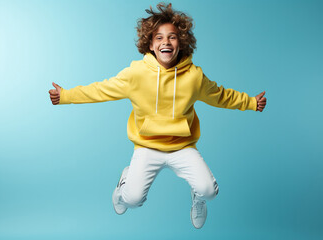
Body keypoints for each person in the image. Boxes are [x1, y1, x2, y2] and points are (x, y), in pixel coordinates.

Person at [49, 3, 267, 229]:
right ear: (151, 44)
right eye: (159, 38)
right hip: (147, 146)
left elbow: (220, 96)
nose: (166, 42)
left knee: (209, 191)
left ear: (180, 42)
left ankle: (197, 197)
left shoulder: (194, 76)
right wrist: (65, 95)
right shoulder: (136, 74)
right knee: (132, 200)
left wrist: (250, 102)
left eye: (172, 37)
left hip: (183, 147)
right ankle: (125, 180)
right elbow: (101, 90)